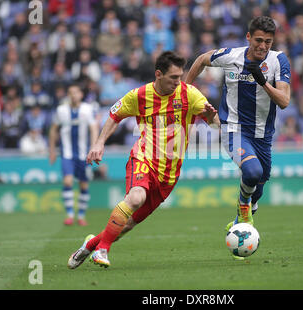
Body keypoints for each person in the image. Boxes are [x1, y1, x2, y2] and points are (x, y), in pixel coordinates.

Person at [67, 51, 218, 269]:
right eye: (173, 77)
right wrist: (99, 143)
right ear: (158, 74)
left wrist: (212, 117)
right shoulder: (139, 95)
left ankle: (90, 244)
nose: (179, 82)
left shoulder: (190, 94)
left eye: (180, 76)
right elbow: (114, 115)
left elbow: (215, 125)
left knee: (126, 225)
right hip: (144, 157)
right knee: (136, 197)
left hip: (169, 174)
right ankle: (102, 249)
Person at [185, 16, 291, 260]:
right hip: (233, 129)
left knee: (260, 184)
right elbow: (202, 59)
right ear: (248, 38)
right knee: (252, 173)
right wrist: (186, 89)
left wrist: (262, 81)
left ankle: (238, 221)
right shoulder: (231, 56)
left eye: (267, 41)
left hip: (263, 136)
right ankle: (243, 208)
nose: (262, 46)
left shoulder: (278, 60)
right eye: (258, 40)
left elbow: (284, 101)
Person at [49, 84, 99, 226]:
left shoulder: (87, 109)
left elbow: (93, 128)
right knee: (68, 181)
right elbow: (53, 130)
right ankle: (70, 214)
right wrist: (52, 150)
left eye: (76, 92)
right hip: (67, 154)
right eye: (70, 92)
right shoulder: (61, 110)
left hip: (84, 154)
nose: (73, 95)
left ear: (81, 95)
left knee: (83, 184)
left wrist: (94, 147)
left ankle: (81, 215)